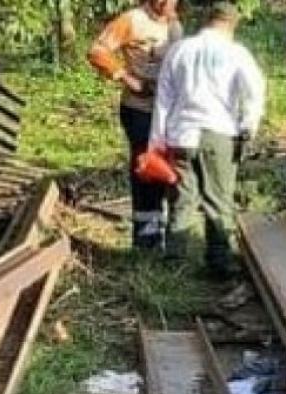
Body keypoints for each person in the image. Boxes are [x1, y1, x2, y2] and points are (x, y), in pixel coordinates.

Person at [149, 2, 265, 277]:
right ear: (231, 25)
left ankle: (174, 263)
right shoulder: (236, 53)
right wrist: (248, 128)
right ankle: (220, 263)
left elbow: (163, 99)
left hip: (181, 135)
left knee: (182, 199)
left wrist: (157, 140)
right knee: (218, 200)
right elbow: (253, 93)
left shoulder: (179, 50)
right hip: (219, 133)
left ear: (207, 20)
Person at [88, 0, 183, 251]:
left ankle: (164, 236)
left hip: (167, 111)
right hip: (140, 110)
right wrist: (127, 78)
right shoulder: (132, 20)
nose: (167, 3)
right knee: (145, 172)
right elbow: (97, 51)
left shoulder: (175, 25)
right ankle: (145, 241)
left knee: (168, 173)